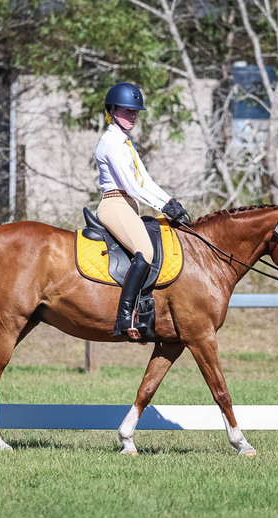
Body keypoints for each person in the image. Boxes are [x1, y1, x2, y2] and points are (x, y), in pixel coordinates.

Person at [94, 82, 190, 339]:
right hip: (115, 204)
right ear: (112, 110)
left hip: (129, 206)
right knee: (145, 251)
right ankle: (124, 318)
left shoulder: (126, 143)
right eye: (127, 110)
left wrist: (170, 201)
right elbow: (131, 186)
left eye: (135, 111)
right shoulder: (111, 143)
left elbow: (145, 181)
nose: (132, 115)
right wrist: (163, 206)